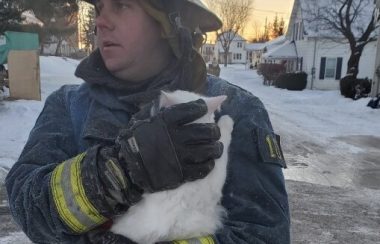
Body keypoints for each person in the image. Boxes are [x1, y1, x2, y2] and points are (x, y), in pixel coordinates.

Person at [5, 0, 290, 243]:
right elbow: (26, 204)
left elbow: (262, 234)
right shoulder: (68, 107)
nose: (101, 22)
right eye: (100, 8)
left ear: (169, 22)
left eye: (120, 5)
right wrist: (117, 172)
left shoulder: (236, 110)